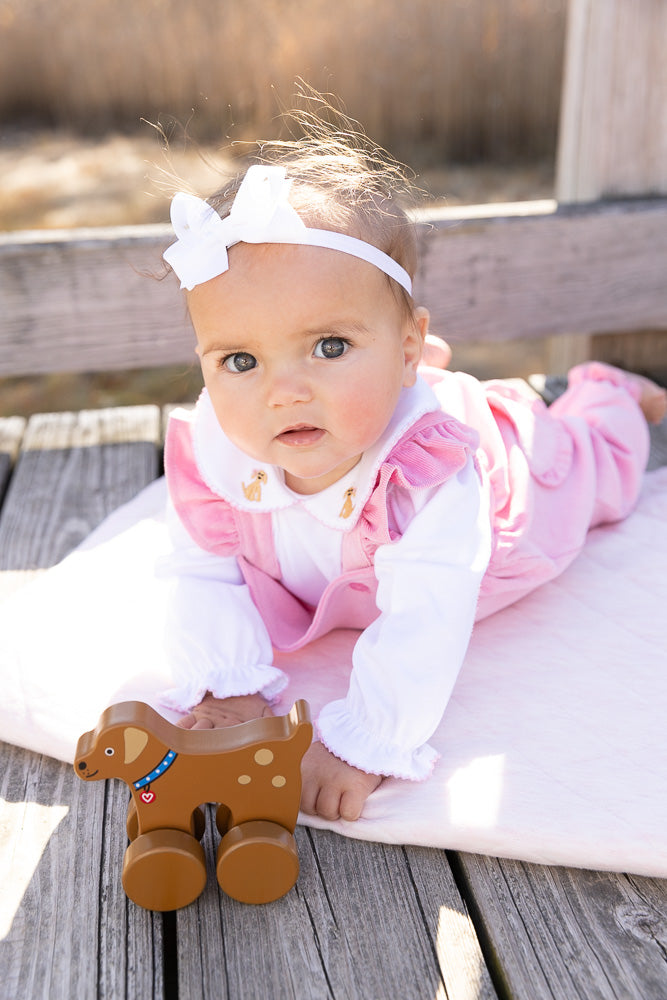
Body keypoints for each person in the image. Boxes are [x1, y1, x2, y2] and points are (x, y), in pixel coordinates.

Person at [157, 125, 666, 824]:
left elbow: (427, 616)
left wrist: (366, 739)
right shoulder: (216, 451)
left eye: (328, 346)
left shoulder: (429, 479)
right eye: (239, 361)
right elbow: (200, 574)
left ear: (406, 348)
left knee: (594, 469)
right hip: (379, 424)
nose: (284, 391)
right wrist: (227, 680)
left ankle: (610, 399)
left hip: (510, 495)